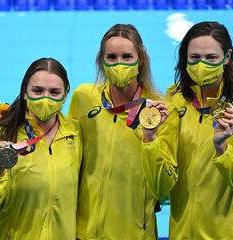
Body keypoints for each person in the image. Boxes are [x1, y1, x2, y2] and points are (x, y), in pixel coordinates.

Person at [68, 24, 179, 239]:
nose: (119, 64)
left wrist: (150, 136)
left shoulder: (161, 110)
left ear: (141, 60)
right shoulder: (84, 98)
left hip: (135, 233)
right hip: (85, 232)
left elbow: (162, 188)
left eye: (127, 57)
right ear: (102, 61)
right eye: (112, 57)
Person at [167, 21, 233, 239]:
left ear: (227, 57)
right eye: (195, 58)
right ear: (185, 58)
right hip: (182, 233)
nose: (202, 65)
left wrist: (222, 149)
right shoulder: (174, 98)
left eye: (211, 58)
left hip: (229, 235)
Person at [0, 57, 83, 239]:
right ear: (25, 92)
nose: (45, 98)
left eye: (54, 92)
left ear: (66, 95)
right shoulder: (2, 134)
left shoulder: (76, 133)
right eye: (38, 90)